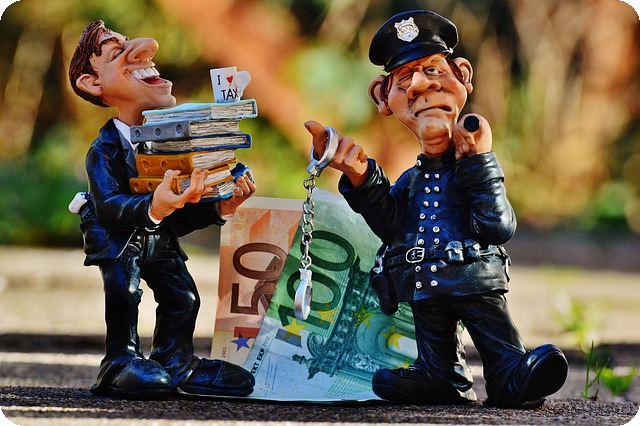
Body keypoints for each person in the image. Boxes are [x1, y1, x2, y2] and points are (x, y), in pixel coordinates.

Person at [305, 10, 568, 409]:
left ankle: (509, 373)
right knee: (433, 337)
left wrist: (480, 164)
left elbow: (498, 227)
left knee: (491, 328)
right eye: (404, 80)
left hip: (474, 275)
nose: (421, 85)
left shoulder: (472, 166)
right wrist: (360, 175)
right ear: (382, 97)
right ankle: (440, 376)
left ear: (462, 75)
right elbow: (391, 225)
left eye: (432, 70)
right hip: (423, 284)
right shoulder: (410, 180)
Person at [68, 20, 256, 400]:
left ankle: (175, 361)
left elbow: (178, 213)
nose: (144, 48)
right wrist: (154, 205)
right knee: (124, 291)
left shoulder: (170, 144)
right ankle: (119, 361)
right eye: (116, 52)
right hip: (118, 238)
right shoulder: (103, 152)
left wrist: (219, 208)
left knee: (183, 296)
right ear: (92, 83)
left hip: (158, 234)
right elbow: (109, 208)